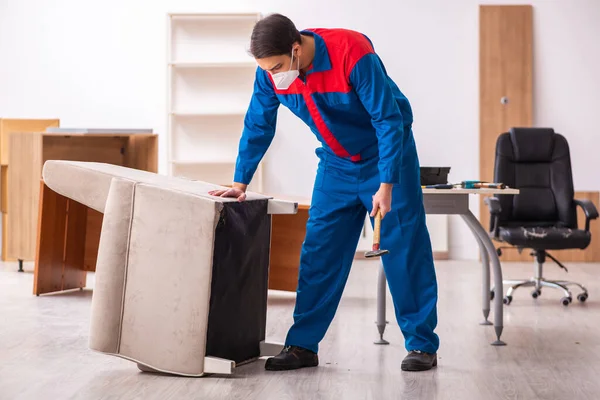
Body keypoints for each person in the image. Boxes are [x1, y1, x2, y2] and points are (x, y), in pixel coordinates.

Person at [208, 13, 439, 372]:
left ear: (296, 48)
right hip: (336, 164)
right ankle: (303, 346)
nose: (272, 75)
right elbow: (259, 122)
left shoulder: (353, 52)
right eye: (266, 69)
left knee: (403, 249)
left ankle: (422, 345)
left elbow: (388, 120)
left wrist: (387, 183)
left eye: (278, 66)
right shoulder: (271, 73)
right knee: (319, 250)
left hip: (386, 156)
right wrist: (240, 182)